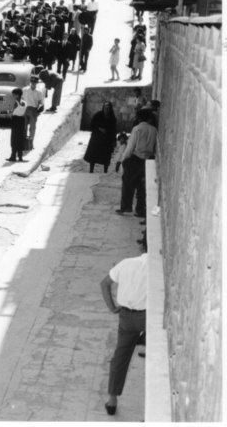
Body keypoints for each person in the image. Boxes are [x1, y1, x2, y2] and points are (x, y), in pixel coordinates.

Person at [100, 240, 147, 416]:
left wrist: (112, 308)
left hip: (126, 317)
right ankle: (144, 343)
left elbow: (104, 284)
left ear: (142, 248)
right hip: (148, 317)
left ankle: (112, 400)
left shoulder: (126, 263)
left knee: (120, 357)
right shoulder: (159, 270)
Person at [117, 109, 157, 219]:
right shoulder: (154, 130)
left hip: (135, 159)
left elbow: (130, 147)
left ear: (139, 118)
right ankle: (139, 210)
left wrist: (122, 160)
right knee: (141, 187)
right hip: (147, 160)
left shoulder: (137, 129)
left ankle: (126, 207)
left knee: (128, 185)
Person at [84, 101, 118, 173]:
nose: (107, 109)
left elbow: (114, 130)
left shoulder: (112, 117)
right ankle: (91, 170)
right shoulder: (98, 115)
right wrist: (99, 128)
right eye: (105, 107)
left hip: (107, 140)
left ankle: (105, 171)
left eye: (108, 108)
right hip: (97, 139)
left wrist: (114, 140)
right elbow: (92, 125)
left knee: (106, 156)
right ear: (103, 107)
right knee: (93, 155)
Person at [8, 88, 27, 162]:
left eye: (14, 94)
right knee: (20, 138)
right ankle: (20, 156)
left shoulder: (16, 103)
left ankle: (13, 156)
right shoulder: (25, 102)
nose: (13, 96)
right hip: (22, 120)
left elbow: (12, 112)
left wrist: (9, 113)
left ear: (17, 95)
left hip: (15, 120)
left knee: (14, 138)